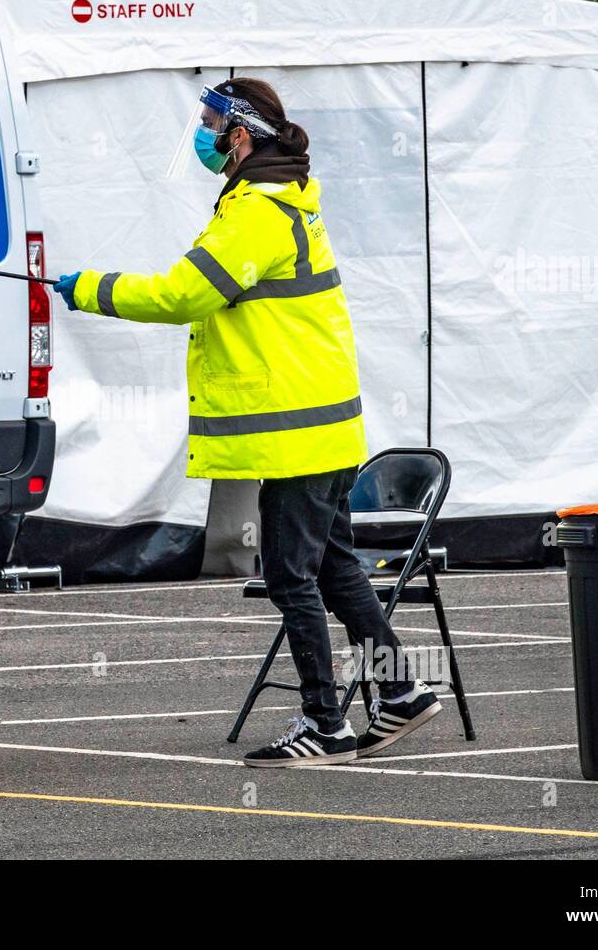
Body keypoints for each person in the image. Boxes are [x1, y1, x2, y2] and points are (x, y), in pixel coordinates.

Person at [53, 78, 441, 767]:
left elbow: (182, 293)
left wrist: (90, 289)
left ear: (240, 134)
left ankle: (326, 723)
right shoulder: (275, 198)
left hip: (299, 431)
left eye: (209, 123)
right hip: (320, 425)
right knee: (332, 564)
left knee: (293, 574)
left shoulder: (256, 213)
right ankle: (402, 693)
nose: (200, 135)